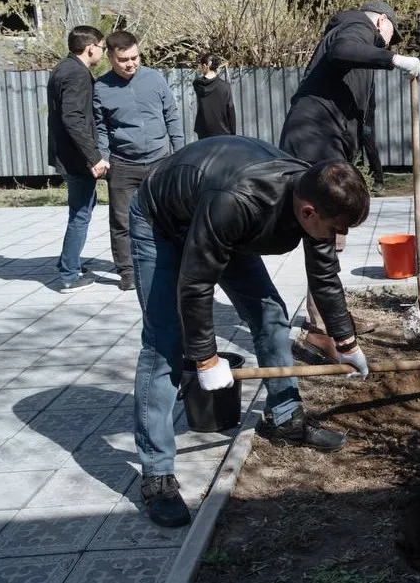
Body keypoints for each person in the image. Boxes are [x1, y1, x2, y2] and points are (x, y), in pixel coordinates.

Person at [129, 136, 371, 528]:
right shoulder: (238, 200)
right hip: (161, 221)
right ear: (308, 212)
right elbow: (196, 282)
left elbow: (324, 276)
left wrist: (345, 340)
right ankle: (157, 475)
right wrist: (206, 358)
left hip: (219, 225)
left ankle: (286, 417)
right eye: (336, 229)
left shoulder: (315, 198)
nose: (336, 237)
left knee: (271, 316)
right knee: (165, 343)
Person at [279, 1, 420, 361]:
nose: (390, 42)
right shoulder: (354, 27)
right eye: (391, 32)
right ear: (380, 20)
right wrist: (394, 60)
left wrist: (368, 163)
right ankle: (319, 331)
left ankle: (331, 314)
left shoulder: (364, 58)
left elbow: (364, 120)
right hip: (312, 136)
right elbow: (345, 49)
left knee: (334, 232)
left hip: (330, 142)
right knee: (323, 233)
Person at [93, 30, 185, 291]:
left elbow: (172, 117)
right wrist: (104, 158)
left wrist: (179, 152)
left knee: (169, 216)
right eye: (123, 59)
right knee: (122, 221)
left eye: (135, 57)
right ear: (110, 57)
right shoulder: (100, 88)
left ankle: (173, 264)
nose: (131, 63)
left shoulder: (155, 79)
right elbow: (100, 128)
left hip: (160, 161)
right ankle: (127, 272)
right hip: (123, 165)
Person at [47, 25, 109, 292]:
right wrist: (94, 157)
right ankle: (70, 276)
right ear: (91, 47)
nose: (103, 53)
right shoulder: (76, 74)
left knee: (84, 206)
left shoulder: (63, 68)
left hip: (67, 155)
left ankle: (66, 262)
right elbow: (73, 118)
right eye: (103, 48)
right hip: (77, 158)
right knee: (80, 214)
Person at [192, 53, 237, 139]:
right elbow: (230, 111)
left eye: (201, 66)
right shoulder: (225, 87)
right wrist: (233, 134)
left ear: (205, 66)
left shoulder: (197, 85)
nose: (201, 69)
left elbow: (200, 80)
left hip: (204, 134)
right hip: (224, 134)